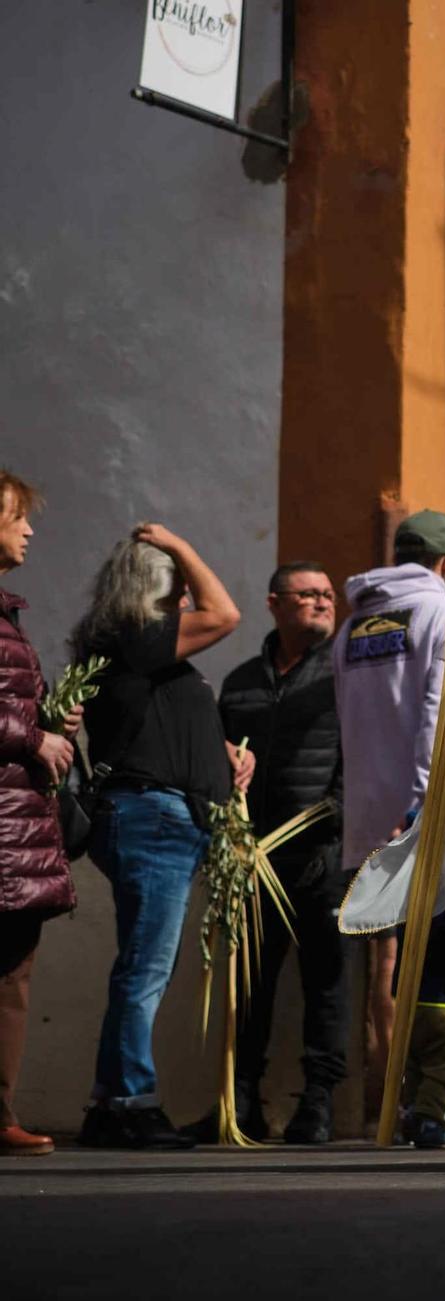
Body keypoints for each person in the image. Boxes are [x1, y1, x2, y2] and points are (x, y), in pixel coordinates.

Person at [73, 524, 247, 1148]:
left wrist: (222, 754)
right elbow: (225, 613)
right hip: (152, 819)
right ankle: (128, 1102)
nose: (186, 601)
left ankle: (109, 1103)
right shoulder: (132, 637)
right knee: (145, 970)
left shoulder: (143, 656)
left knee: (144, 966)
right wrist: (183, 546)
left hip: (164, 817)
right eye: (177, 586)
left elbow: (161, 723)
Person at [184, 562, 345, 1145]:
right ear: (276, 603)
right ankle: (242, 1102)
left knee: (326, 984)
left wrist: (339, 813)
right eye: (309, 595)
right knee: (249, 985)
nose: (324, 603)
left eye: (329, 595)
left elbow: (363, 756)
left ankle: (318, 1104)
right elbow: (218, 760)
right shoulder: (244, 682)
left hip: (322, 855)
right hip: (255, 858)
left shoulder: (344, 675)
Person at [332, 509, 445, 1145]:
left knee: (388, 965)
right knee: (432, 960)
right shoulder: (441, 613)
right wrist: (422, 806)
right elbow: (439, 718)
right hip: (421, 814)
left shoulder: (354, 625)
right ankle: (433, 1104)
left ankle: (400, 1101)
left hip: (366, 818)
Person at [0, 470, 82, 1156]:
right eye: (17, 516)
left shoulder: (6, 614)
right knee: (7, 973)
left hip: (16, 818)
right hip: (4, 822)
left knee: (13, 970)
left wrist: (53, 720)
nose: (29, 529)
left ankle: (0, 1112)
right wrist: (34, 736)